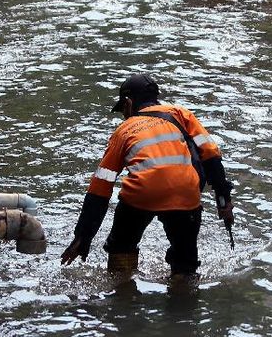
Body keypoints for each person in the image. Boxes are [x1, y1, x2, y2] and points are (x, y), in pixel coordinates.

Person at [60, 73, 235, 280]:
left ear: (128, 103)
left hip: (142, 195)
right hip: (186, 194)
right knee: (185, 263)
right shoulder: (181, 114)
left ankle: (123, 292)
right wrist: (223, 201)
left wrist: (83, 236)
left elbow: (101, 188)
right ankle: (184, 298)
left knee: (121, 247)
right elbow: (211, 157)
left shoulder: (124, 130)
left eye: (123, 110)